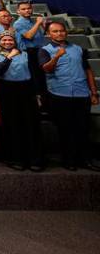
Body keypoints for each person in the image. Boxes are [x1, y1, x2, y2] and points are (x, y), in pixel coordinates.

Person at [39, 21, 100, 171]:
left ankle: (85, 160)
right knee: (66, 129)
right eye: (55, 31)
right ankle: (68, 160)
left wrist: (93, 92)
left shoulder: (78, 48)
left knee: (83, 128)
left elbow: (88, 71)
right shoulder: (44, 50)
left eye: (61, 31)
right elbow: (46, 69)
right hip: (59, 94)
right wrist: (56, 57)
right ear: (49, 34)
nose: (59, 33)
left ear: (66, 32)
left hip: (81, 93)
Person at [0, 31, 44, 171]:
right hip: (8, 91)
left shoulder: (25, 54)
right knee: (13, 125)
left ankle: (34, 159)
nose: (7, 42)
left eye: (10, 40)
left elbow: (33, 75)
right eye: (4, 40)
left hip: (26, 91)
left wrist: (37, 94)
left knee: (30, 125)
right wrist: (9, 57)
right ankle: (15, 158)